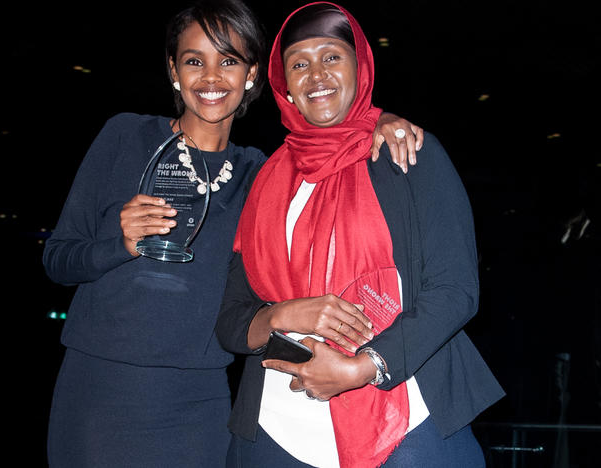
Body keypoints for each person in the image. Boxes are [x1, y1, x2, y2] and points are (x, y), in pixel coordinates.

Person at [42, 1, 423, 466]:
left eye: (228, 60)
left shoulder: (261, 174)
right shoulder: (124, 137)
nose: (210, 77)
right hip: (99, 392)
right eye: (194, 60)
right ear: (174, 71)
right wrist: (118, 245)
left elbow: (329, 153)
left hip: (199, 403)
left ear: (251, 76)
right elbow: (58, 259)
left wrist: (377, 122)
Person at [216, 3, 505, 468]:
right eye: (299, 64)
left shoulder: (408, 154)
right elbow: (231, 320)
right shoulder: (264, 182)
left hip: (408, 422)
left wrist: (364, 367)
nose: (316, 75)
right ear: (284, 86)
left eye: (331, 56)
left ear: (360, 65)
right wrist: (289, 313)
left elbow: (455, 290)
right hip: (279, 429)